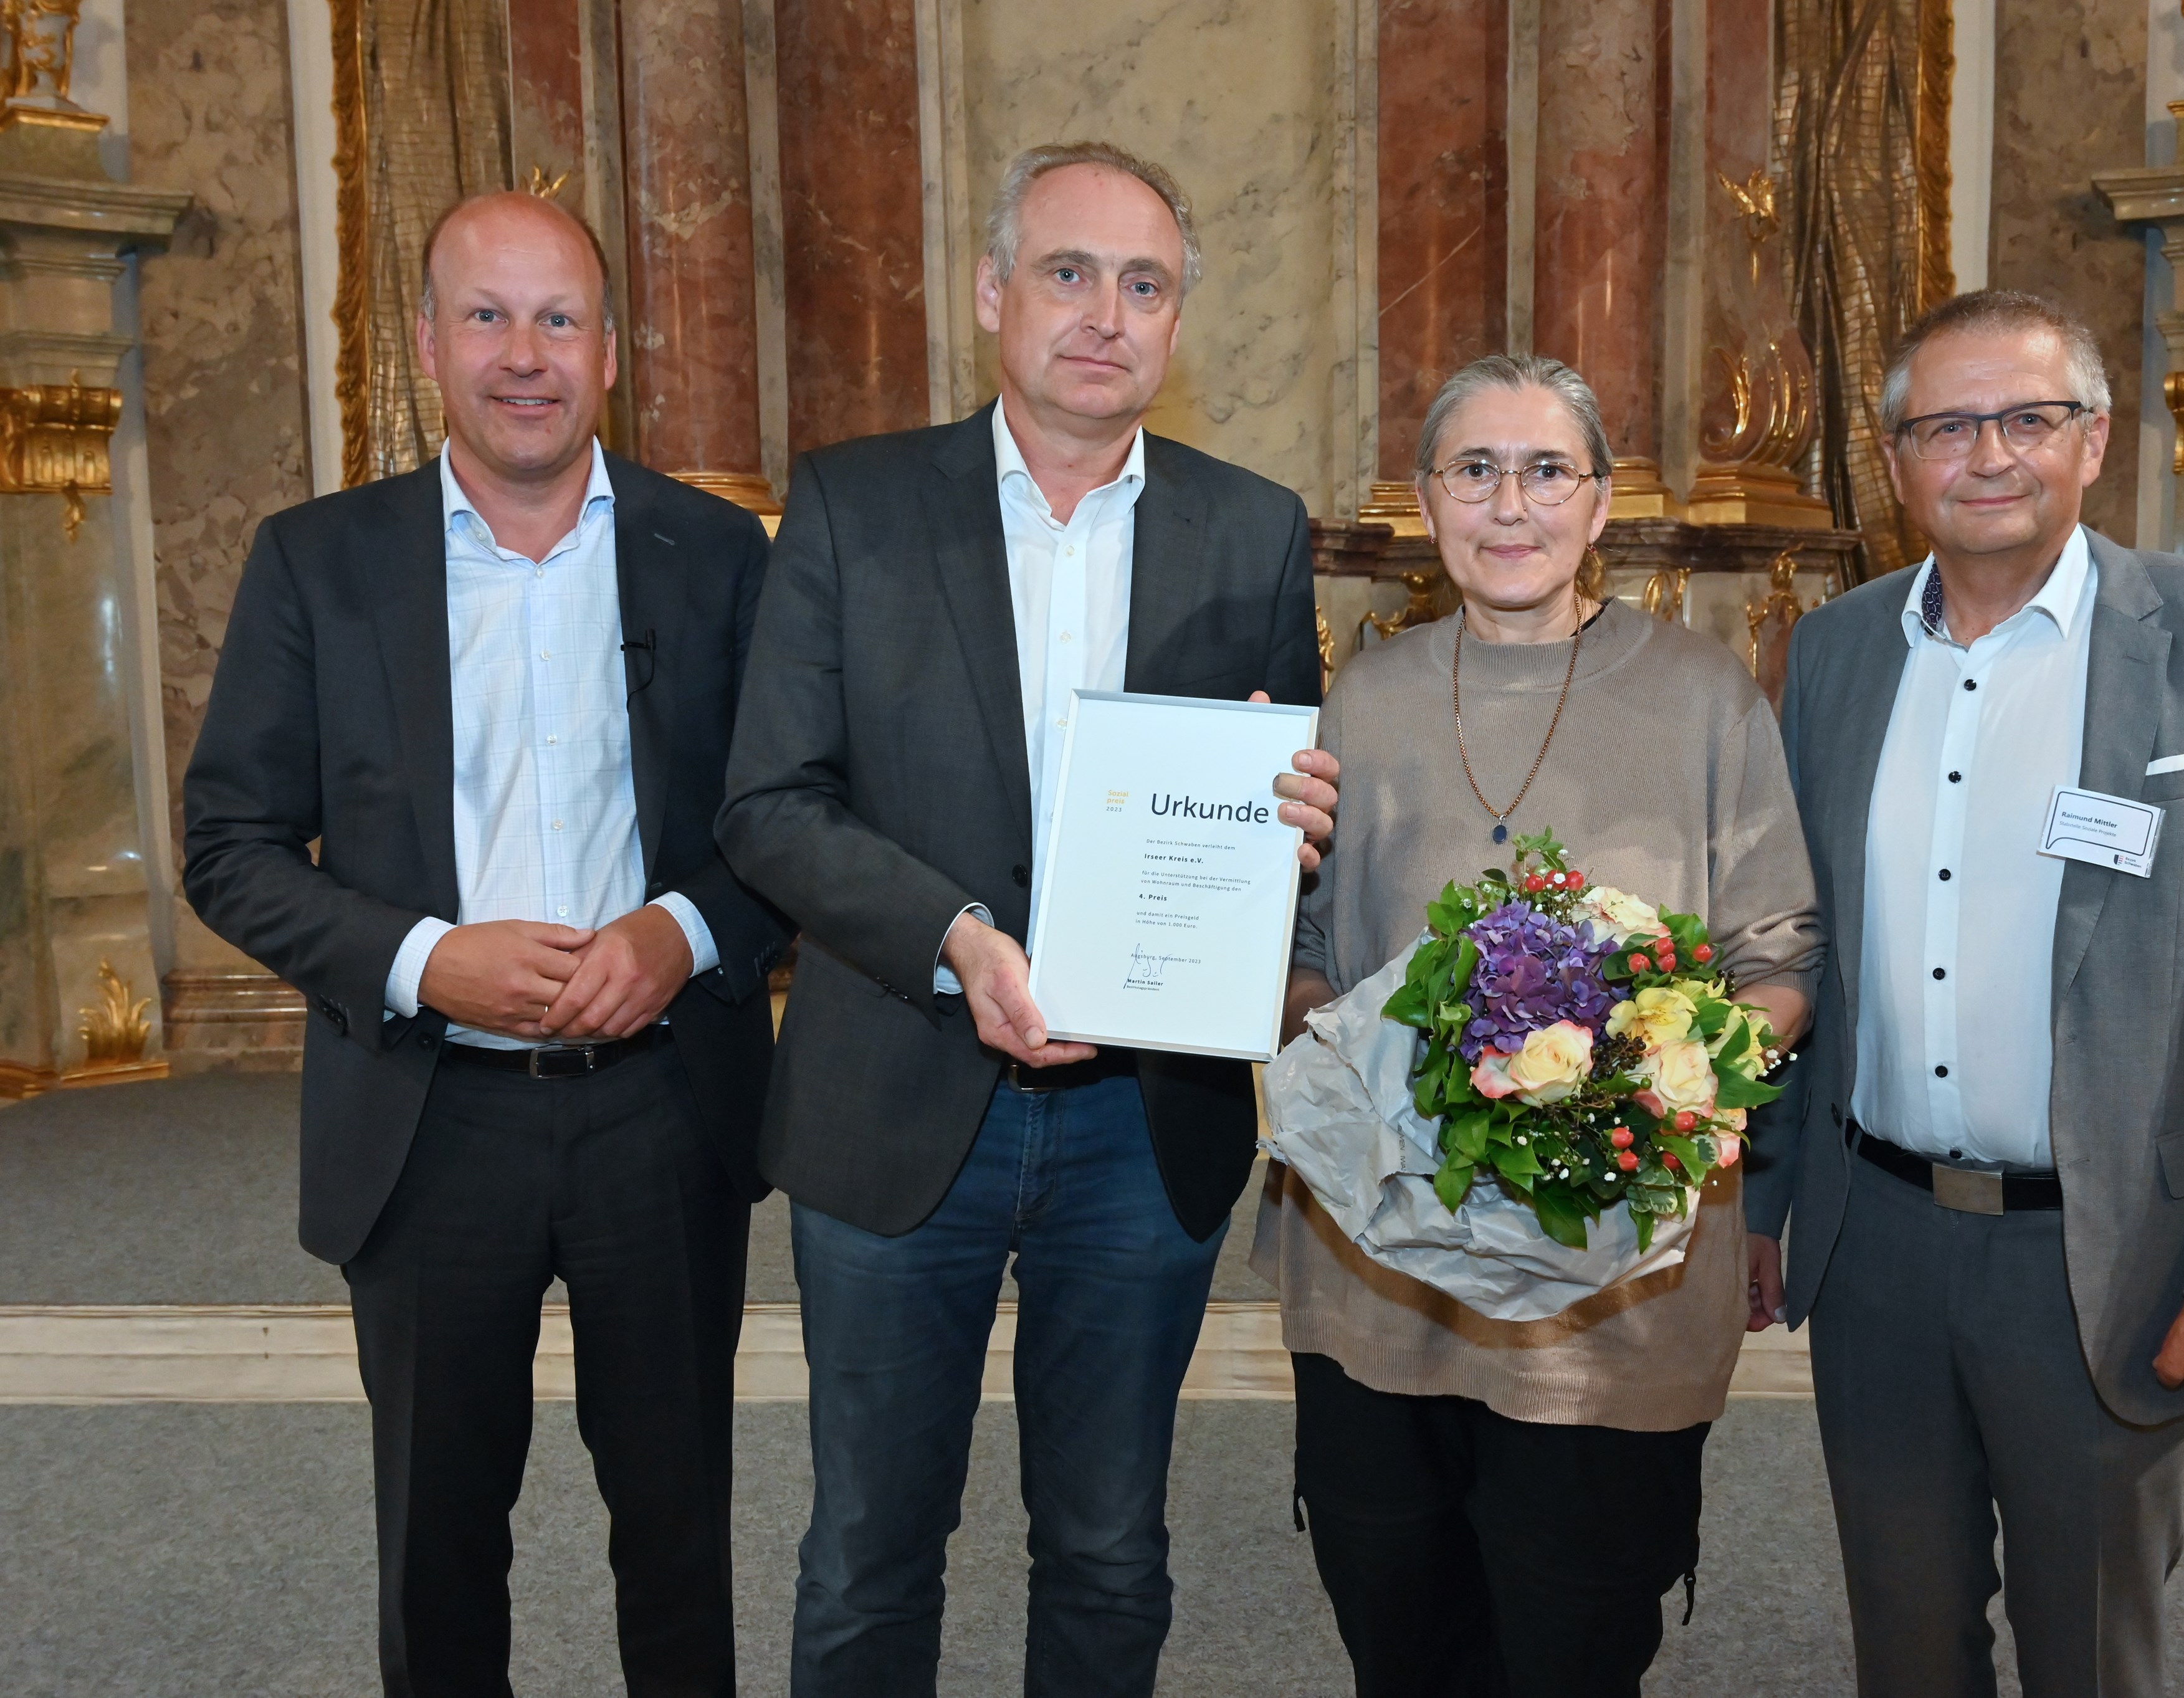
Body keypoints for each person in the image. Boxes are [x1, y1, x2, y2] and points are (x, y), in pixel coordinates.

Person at [714, 141, 1340, 1697]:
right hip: (894, 1094)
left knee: (1112, 1547)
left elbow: (1261, 817)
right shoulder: (854, 505)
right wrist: (959, 938)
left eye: (1145, 285)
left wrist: (1294, 825)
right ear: (993, 292)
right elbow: (769, 804)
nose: (1103, 315)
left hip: (1147, 1119)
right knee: (867, 1547)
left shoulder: (1251, 528)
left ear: (1176, 322)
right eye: (1067, 272)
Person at [182, 191, 792, 1693]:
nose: (525, 354)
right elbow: (228, 848)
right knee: (438, 1543)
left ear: (609, 352)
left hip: (662, 1115)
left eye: (559, 318)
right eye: (487, 315)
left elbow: (794, 826)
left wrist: (683, 929)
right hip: (424, 1116)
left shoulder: (719, 557)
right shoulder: (317, 563)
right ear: (426, 342)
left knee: (676, 1535)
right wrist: (418, 957)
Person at [1747, 290, 2184, 1697]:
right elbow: (1801, 947)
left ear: (2094, 441)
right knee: (1902, 1640)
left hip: (2102, 1250)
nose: (1989, 454)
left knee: (2089, 1647)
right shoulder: (1834, 651)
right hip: (1876, 1242)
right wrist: (1764, 1198)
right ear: (1893, 460)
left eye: (2029, 416)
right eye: (1946, 425)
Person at [1251, 353, 1823, 1697]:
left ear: (1599, 500)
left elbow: (1781, 952)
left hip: (1610, 1275)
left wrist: (1654, 1094)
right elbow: (1300, 950)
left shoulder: (1702, 698)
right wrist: (1381, 1055)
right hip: (1380, 1255)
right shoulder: (1365, 703)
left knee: (1576, 1633)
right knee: (1396, 1618)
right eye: (1473, 470)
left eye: (1544, 470)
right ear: (1424, 500)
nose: (1509, 506)